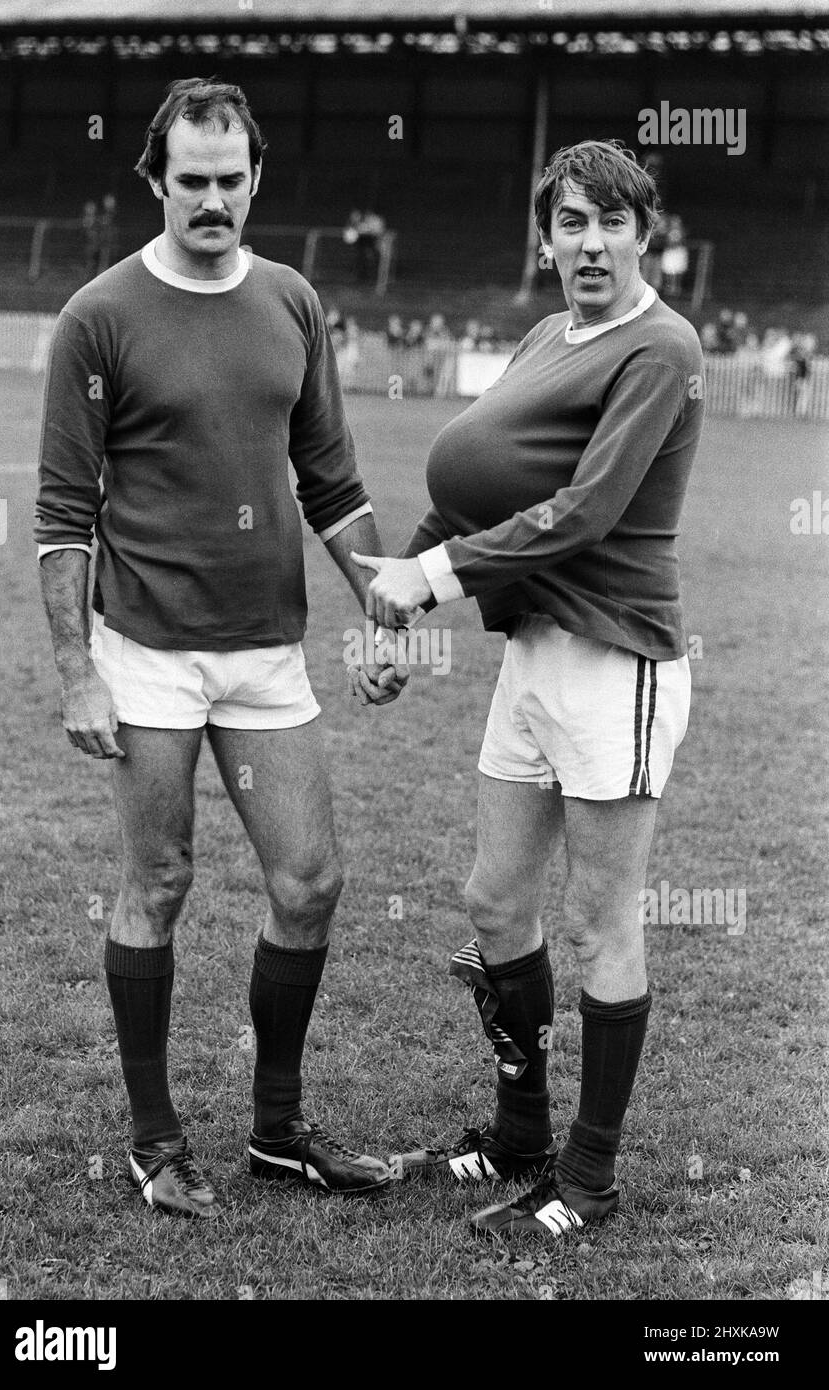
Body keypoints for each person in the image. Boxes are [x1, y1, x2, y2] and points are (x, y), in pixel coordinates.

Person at [35, 78, 407, 1220]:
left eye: (228, 180)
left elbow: (332, 480)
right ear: (155, 181)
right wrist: (78, 669)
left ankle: (280, 1132)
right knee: (159, 877)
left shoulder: (292, 302)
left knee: (311, 879)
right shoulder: (97, 317)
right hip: (147, 650)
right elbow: (61, 511)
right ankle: (155, 1142)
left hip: (266, 652)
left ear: (257, 180)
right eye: (188, 181)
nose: (210, 200)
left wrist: (379, 600)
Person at [350, 139, 705, 1242]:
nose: (589, 243)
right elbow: (480, 485)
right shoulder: (552, 332)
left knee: (602, 926)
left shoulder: (663, 346)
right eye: (569, 223)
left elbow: (586, 511)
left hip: (616, 661)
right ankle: (518, 1135)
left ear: (645, 233)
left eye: (610, 221)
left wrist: (431, 578)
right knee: (496, 901)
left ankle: (587, 1181)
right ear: (544, 239)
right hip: (532, 655)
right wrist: (395, 605)